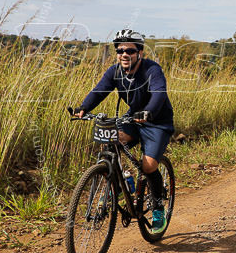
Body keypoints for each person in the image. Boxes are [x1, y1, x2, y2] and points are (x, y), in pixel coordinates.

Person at [74, 29, 174, 231]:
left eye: (129, 50)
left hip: (157, 122)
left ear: (140, 52)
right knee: (112, 139)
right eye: (119, 50)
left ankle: (157, 208)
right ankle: (120, 184)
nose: (124, 54)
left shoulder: (152, 70)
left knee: (148, 166)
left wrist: (148, 112)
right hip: (133, 118)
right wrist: (84, 108)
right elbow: (99, 91)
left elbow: (159, 93)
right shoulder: (114, 72)